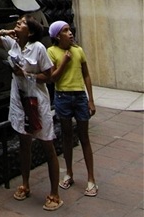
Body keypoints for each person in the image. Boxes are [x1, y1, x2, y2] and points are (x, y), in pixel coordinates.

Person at [0, 16, 63, 211]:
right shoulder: (12, 43)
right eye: (17, 22)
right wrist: (5, 32)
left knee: (47, 144)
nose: (17, 24)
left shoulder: (38, 48)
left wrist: (27, 74)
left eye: (22, 23)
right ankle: (25, 183)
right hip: (19, 99)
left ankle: (54, 193)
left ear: (31, 31)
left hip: (37, 100)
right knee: (23, 142)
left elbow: (49, 76)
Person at [47, 21, 98, 198]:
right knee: (67, 136)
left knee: (84, 137)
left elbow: (86, 74)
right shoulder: (51, 52)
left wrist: (91, 100)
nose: (70, 33)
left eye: (69, 30)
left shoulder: (79, 50)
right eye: (65, 31)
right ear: (57, 36)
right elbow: (52, 78)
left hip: (79, 97)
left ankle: (91, 179)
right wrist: (64, 62)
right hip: (62, 97)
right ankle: (68, 173)